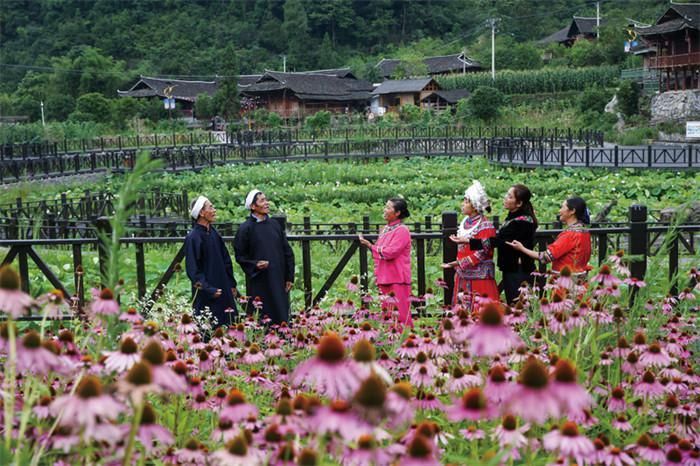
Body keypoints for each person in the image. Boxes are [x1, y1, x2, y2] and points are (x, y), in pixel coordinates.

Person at [234, 190, 295, 325]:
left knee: (281, 313)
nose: (266, 203)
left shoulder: (275, 225)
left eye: (266, 199)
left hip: (278, 279)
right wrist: (255, 264)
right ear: (253, 207)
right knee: (262, 315)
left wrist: (289, 276)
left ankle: (283, 341)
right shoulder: (245, 229)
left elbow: (287, 251)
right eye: (262, 200)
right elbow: (240, 256)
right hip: (259, 281)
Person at [470, 184, 537, 304]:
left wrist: (470, 242)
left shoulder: (523, 222)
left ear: (519, 203)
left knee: (520, 307)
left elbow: (500, 242)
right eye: (507, 195)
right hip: (511, 269)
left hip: (519, 270)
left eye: (510, 197)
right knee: (515, 305)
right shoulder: (514, 217)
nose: (506, 198)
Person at [441, 181, 500, 312]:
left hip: (479, 278)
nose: (462, 204)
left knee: (481, 313)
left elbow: (483, 252)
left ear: (474, 205)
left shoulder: (486, 225)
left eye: (466, 201)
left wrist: (457, 263)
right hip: (463, 275)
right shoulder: (465, 223)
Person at [358, 198, 413, 328]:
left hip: (397, 278)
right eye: (385, 207)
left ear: (397, 213)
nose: (385, 210)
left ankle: (405, 342)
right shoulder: (386, 229)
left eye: (388, 208)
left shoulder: (402, 230)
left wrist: (370, 246)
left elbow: (390, 252)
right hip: (385, 277)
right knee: (387, 315)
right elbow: (380, 252)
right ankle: (390, 345)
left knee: (400, 315)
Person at [184, 196, 238, 327]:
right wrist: (209, 289)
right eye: (211, 207)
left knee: (230, 325)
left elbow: (226, 259)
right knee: (208, 329)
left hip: (223, 287)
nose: (214, 210)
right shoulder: (193, 238)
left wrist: (231, 283)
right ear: (201, 213)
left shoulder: (214, 233)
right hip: (207, 293)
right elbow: (193, 270)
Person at [507, 196, 591, 279]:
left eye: (562, 207)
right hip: (580, 283)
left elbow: (546, 257)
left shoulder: (570, 234)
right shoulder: (584, 232)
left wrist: (522, 249)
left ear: (572, 211)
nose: (559, 211)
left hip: (566, 285)